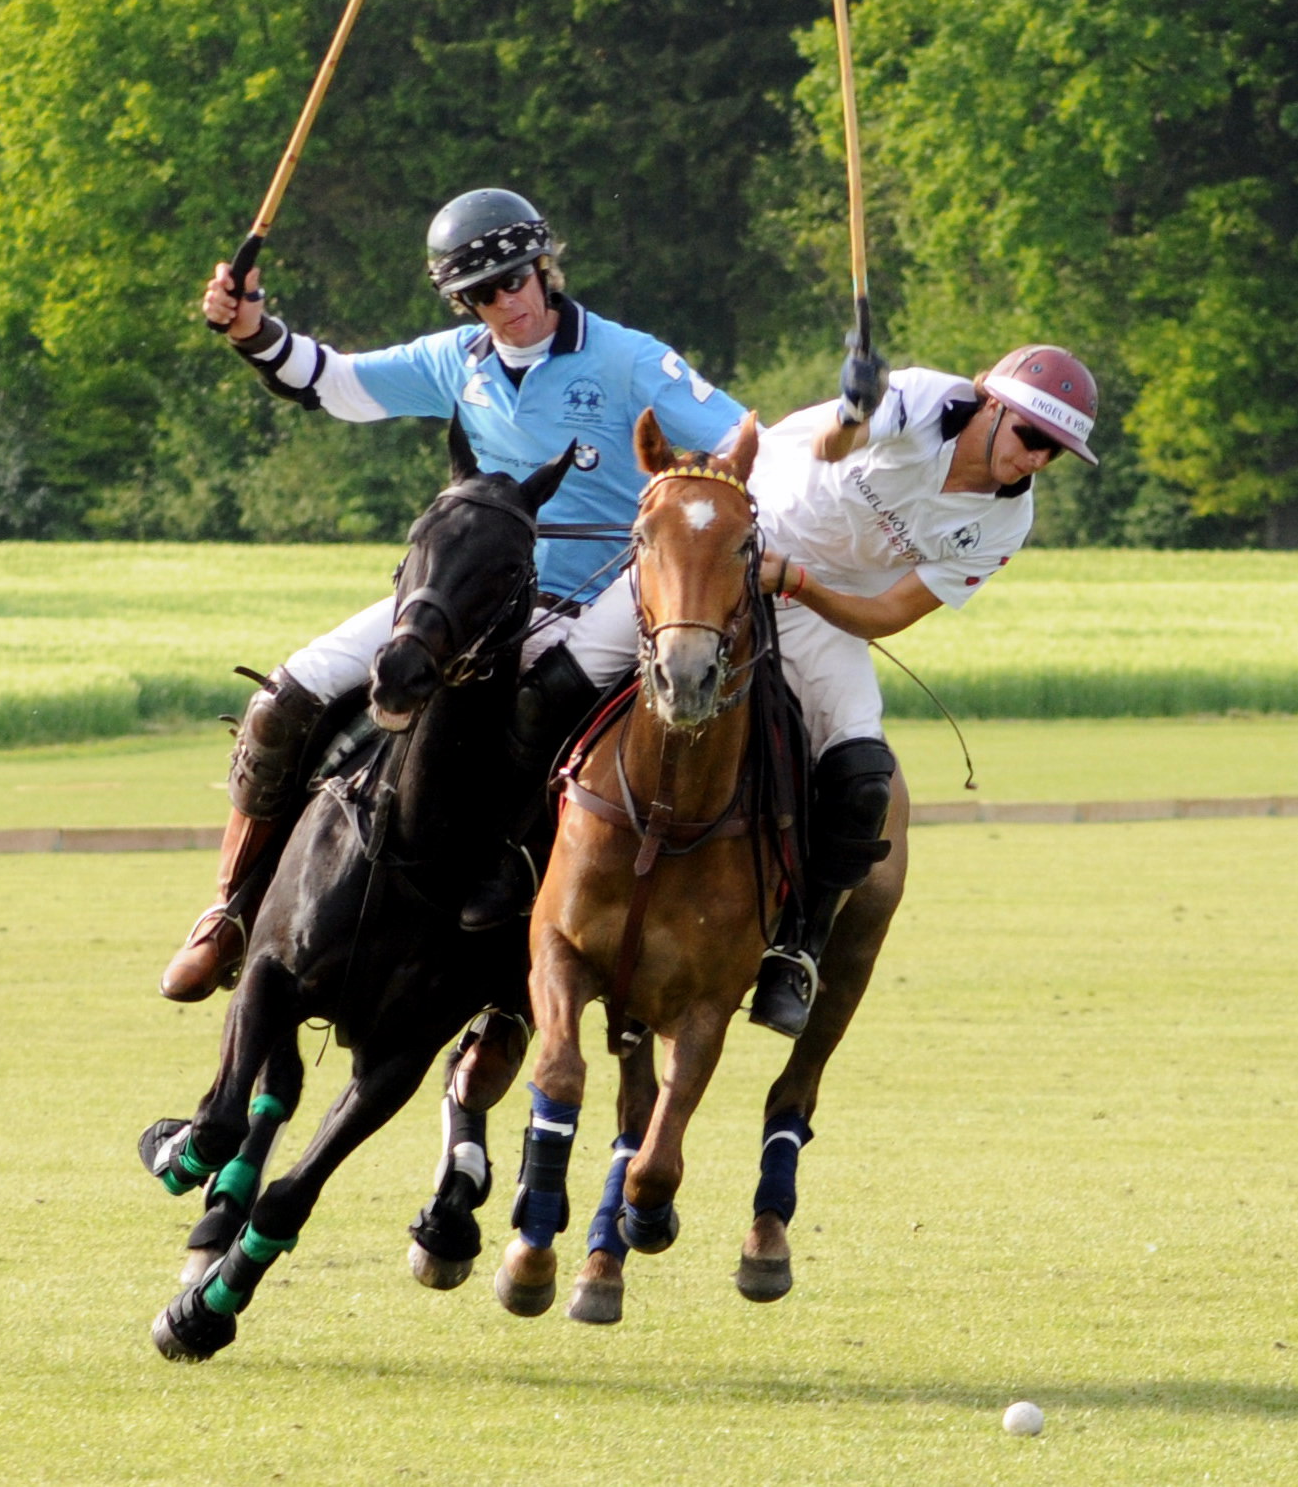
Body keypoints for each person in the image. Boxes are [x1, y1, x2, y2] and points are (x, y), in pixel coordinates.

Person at [161, 187, 747, 1000]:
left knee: (541, 698)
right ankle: (229, 909)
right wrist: (252, 327)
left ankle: (505, 873)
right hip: (472, 590)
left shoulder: (628, 359)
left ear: (543, 268)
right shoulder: (457, 359)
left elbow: (741, 442)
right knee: (289, 693)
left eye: (512, 281)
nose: (502, 304)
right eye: (478, 293)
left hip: (603, 588)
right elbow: (333, 381)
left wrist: (844, 424)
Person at [551, 340, 1100, 1036]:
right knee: (556, 683)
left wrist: (800, 584)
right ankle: (508, 875)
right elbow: (835, 445)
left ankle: (797, 948)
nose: (1034, 459)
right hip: (716, 561)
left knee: (864, 779)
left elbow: (889, 613)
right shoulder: (925, 399)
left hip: (819, 611)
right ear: (990, 402)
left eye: (1052, 451)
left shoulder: (1004, 520)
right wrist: (852, 404)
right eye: (1029, 435)